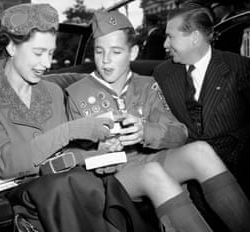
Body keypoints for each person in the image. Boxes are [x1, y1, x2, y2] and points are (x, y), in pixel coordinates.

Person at [66, 10, 250, 232]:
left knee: (200, 150)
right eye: (99, 51)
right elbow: (73, 156)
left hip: (151, 160)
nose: (106, 60)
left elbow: (179, 134)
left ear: (133, 52)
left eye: (116, 51)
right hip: (111, 176)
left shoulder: (148, 85)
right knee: (154, 173)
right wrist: (100, 152)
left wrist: (145, 131)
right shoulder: (76, 93)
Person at [0, 3, 143, 232]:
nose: (46, 64)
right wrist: (71, 130)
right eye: (38, 53)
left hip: (63, 179)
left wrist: (96, 154)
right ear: (11, 47)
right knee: (68, 185)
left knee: (97, 183)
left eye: (50, 53)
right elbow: (4, 164)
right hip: (19, 191)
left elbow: (61, 157)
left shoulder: (52, 92)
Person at [153, 4, 250, 230]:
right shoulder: (163, 74)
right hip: (189, 173)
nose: (165, 44)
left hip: (239, 163)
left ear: (194, 37)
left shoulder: (239, 68)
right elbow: (160, 122)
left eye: (170, 37)